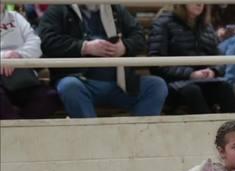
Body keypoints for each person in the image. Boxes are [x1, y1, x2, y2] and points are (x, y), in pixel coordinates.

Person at [38, 4, 168, 118]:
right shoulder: (59, 8)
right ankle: (94, 140)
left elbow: (139, 37)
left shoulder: (115, 8)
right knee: (69, 87)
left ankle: (137, 139)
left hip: (121, 83)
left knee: (156, 86)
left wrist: (124, 47)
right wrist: (84, 47)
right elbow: (46, 41)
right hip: (80, 81)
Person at [148, 3, 235, 114]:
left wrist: (213, 71)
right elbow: (156, 63)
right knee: (192, 91)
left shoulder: (206, 25)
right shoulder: (163, 23)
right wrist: (190, 74)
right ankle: (207, 130)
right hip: (173, 82)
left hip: (203, 80)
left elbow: (219, 59)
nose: (199, 3)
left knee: (225, 88)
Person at [0, 3, 59, 119]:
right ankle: (18, 133)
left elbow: (36, 44)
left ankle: (18, 132)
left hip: (22, 76)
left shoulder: (16, 17)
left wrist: (17, 55)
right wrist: (4, 56)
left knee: (50, 97)